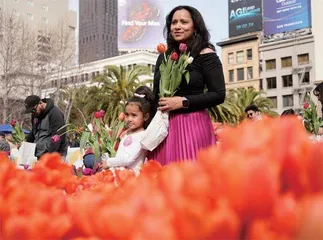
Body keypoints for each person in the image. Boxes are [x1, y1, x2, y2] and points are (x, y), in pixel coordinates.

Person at [149, 5, 225, 165]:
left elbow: (218, 94)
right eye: (174, 22)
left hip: (193, 125)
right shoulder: (164, 57)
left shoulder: (206, 55)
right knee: (162, 180)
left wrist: (183, 101)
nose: (177, 26)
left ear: (195, 26)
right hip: (163, 127)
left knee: (190, 179)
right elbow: (155, 95)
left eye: (184, 22)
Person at [97, 86, 155, 176]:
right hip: (122, 173)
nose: (129, 119)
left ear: (146, 117)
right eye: (127, 115)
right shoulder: (128, 133)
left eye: (134, 115)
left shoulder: (142, 136)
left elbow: (128, 159)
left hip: (131, 177)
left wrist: (108, 162)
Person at [24, 95, 68, 159]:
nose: (33, 113)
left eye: (33, 110)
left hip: (55, 154)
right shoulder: (35, 115)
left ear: (40, 103)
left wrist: (49, 156)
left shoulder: (55, 113)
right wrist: (26, 144)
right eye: (31, 112)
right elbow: (34, 132)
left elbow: (58, 136)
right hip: (40, 154)